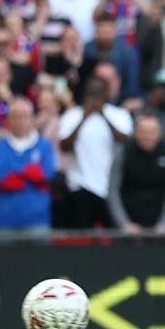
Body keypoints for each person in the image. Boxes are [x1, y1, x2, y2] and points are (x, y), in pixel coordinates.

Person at [58, 76, 133, 228]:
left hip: (111, 186)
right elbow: (64, 146)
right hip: (80, 185)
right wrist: (83, 119)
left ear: (107, 93)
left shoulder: (119, 115)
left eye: (99, 92)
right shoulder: (72, 115)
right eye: (92, 92)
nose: (95, 97)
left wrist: (103, 115)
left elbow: (126, 143)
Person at [106, 112, 165, 233]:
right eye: (143, 132)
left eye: (152, 133)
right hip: (130, 218)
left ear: (160, 133)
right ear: (136, 133)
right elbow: (113, 191)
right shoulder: (123, 152)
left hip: (160, 219)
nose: (147, 137)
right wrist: (124, 224)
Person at [0, 97, 56, 231]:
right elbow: (1, 177)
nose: (20, 121)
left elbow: (47, 174)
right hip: (4, 220)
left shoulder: (44, 146)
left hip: (37, 219)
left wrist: (16, 171)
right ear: (8, 119)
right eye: (16, 116)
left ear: (32, 118)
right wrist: (30, 172)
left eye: (24, 116)